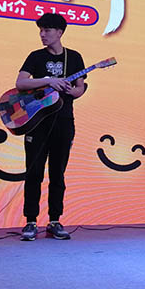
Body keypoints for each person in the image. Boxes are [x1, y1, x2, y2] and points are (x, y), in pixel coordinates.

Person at [16, 13, 86, 241]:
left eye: (46, 30)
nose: (42, 35)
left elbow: (79, 89)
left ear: (59, 32)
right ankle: (30, 221)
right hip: (36, 122)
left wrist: (70, 90)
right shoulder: (35, 56)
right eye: (41, 30)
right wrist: (49, 80)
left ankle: (54, 220)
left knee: (58, 173)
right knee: (34, 172)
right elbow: (21, 82)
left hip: (64, 121)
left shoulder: (74, 57)